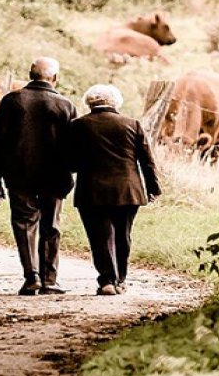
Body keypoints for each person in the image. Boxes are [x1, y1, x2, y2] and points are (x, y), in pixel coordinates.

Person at [0, 57, 77, 296]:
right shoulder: (65, 105)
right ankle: (50, 280)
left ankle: (31, 276)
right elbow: (73, 145)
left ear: (30, 74)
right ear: (55, 78)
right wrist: (72, 172)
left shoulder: (12, 101)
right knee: (52, 226)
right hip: (55, 176)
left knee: (24, 224)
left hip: (18, 174)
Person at [69, 84, 161, 296]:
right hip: (128, 189)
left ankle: (107, 281)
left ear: (89, 102)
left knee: (99, 236)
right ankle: (120, 280)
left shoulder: (78, 125)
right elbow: (147, 160)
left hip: (92, 190)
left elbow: (71, 161)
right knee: (123, 235)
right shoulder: (132, 124)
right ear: (115, 102)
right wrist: (153, 187)